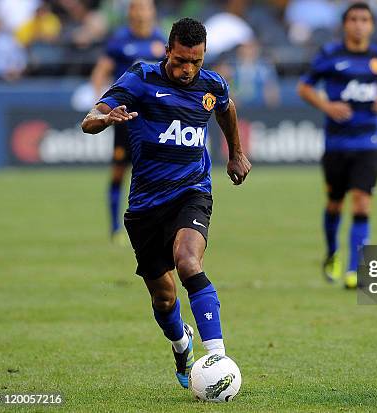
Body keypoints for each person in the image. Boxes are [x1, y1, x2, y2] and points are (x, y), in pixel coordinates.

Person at [81, 17, 251, 389]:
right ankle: (181, 344)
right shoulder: (141, 77)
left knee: (188, 261)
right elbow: (89, 119)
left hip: (192, 192)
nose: (188, 69)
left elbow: (226, 107)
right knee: (163, 297)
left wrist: (236, 153)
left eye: (196, 61)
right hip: (144, 207)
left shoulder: (212, 84)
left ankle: (217, 356)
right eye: (181, 61)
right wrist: (106, 119)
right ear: (167, 51)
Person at [297, 2, 377, 289]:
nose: (359, 24)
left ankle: (355, 269)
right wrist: (327, 106)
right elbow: (304, 87)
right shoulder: (330, 54)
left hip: (369, 142)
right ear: (345, 24)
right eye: (353, 19)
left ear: (371, 25)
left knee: (362, 203)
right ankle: (332, 253)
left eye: (364, 19)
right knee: (334, 203)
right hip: (337, 144)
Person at [90, 0, 166, 241]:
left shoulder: (161, 40)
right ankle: (114, 228)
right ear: (131, 12)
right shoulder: (119, 40)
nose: (143, 13)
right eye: (138, 8)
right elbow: (100, 72)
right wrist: (101, 105)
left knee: (157, 174)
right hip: (124, 118)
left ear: (152, 12)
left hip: (153, 119)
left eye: (146, 8)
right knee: (118, 172)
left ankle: (159, 225)